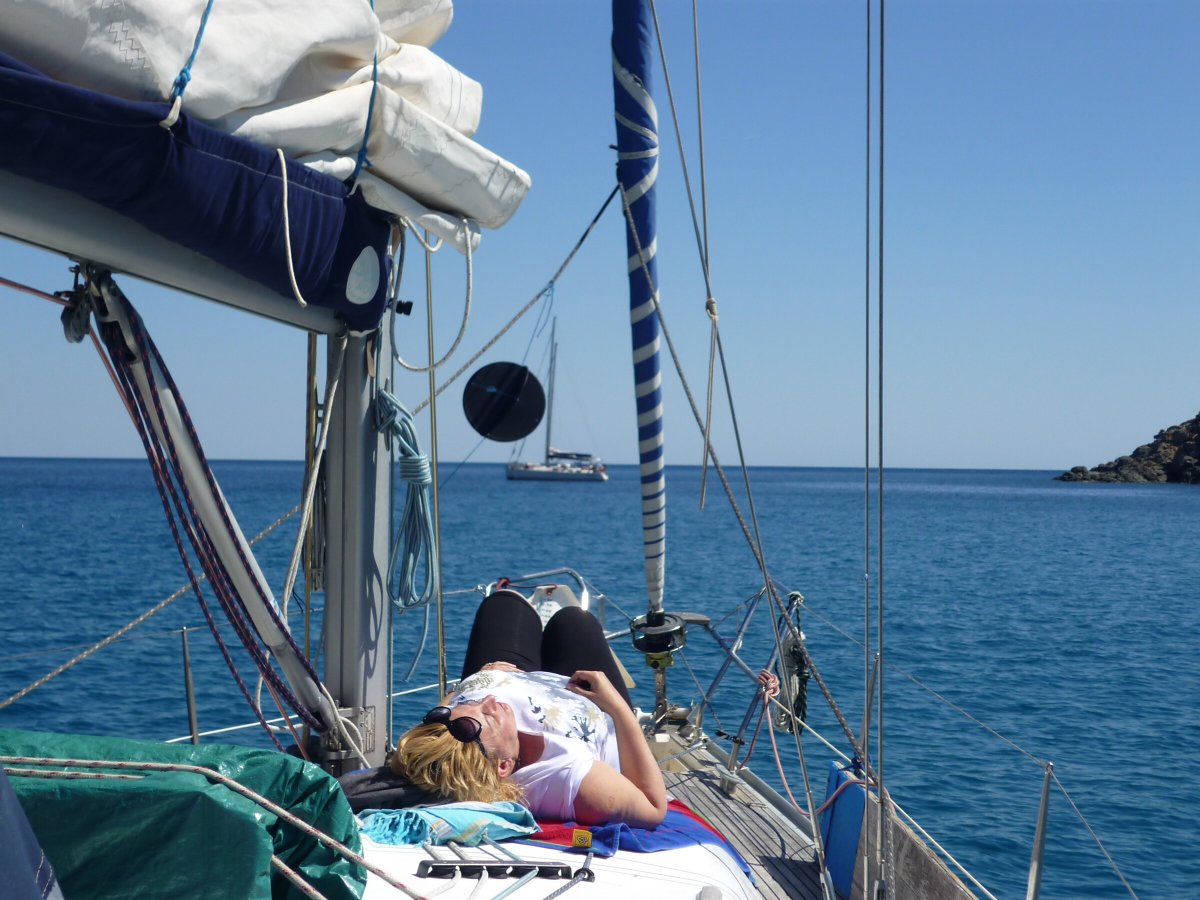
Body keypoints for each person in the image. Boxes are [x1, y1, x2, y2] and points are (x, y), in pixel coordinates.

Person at [390, 589, 667, 828]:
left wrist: (468, 687)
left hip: (505, 674)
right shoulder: (568, 780)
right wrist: (617, 706)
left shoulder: (450, 742)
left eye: (464, 707)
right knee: (573, 621)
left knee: (503, 603)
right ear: (504, 766)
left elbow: (438, 729)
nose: (488, 701)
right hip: (589, 696)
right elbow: (654, 808)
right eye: (489, 715)